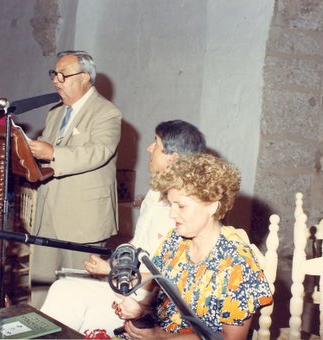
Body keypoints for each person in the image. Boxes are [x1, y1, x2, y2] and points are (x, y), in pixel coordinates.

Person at [39, 119, 206, 336]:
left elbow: (170, 277)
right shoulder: (156, 193)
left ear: (172, 158)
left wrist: (113, 272)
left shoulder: (187, 212)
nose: (149, 148)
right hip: (131, 290)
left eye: (155, 143)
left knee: (76, 307)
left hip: (154, 306)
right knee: (63, 290)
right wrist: (114, 264)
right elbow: (138, 245)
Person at [113, 153, 273, 339]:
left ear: (212, 207)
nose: (172, 214)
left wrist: (160, 337)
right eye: (171, 205)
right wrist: (140, 310)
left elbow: (230, 339)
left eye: (181, 206)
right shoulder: (175, 240)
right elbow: (161, 297)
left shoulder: (237, 263)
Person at [28, 50, 122, 306]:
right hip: (48, 212)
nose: (56, 80)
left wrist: (53, 153)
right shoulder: (55, 113)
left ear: (85, 78)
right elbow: (45, 151)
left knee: (78, 292)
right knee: (41, 285)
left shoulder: (106, 112)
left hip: (83, 217)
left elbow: (98, 152)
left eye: (63, 75)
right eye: (54, 74)